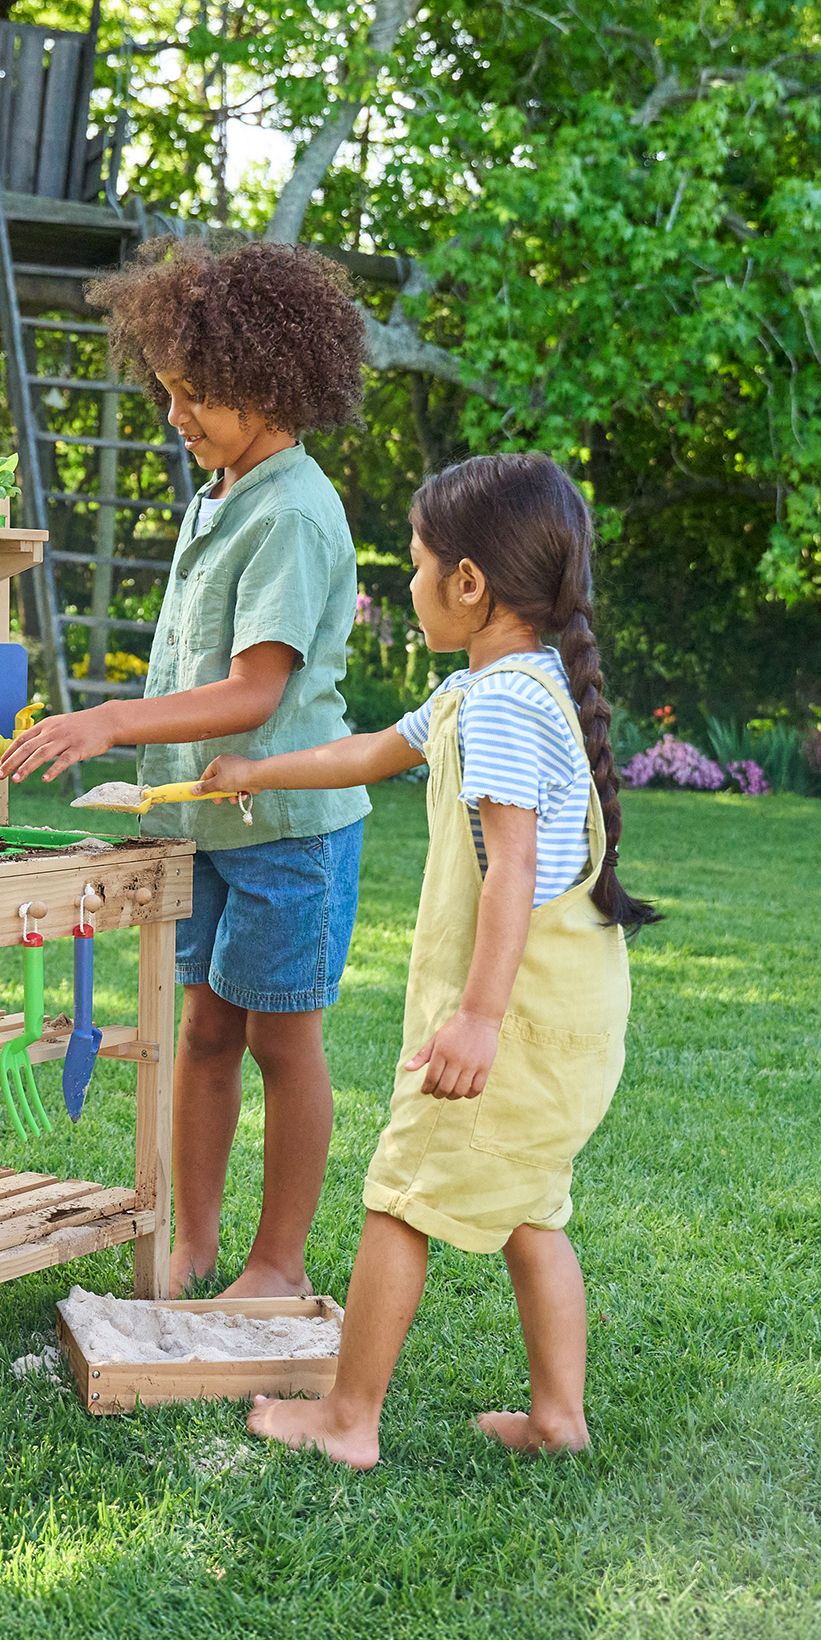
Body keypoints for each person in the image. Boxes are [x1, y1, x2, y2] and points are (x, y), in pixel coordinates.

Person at [202, 451, 659, 1466]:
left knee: (400, 1194)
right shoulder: (497, 690)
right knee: (532, 1208)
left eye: (412, 565)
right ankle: (558, 1420)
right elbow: (372, 751)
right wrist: (258, 768)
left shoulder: (500, 703)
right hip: (574, 1012)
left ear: (468, 583)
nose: (401, 586)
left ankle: (348, 1417)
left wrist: (480, 1020)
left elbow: (512, 871)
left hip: (522, 1017)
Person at [0, 238, 371, 1301]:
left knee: (282, 1048)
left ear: (269, 384)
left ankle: (276, 1261)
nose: (178, 415)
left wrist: (113, 719)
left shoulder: (294, 511)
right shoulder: (223, 491)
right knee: (204, 1034)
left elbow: (257, 692)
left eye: (198, 396)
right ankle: (194, 1246)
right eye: (170, 391)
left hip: (290, 834)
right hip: (203, 826)